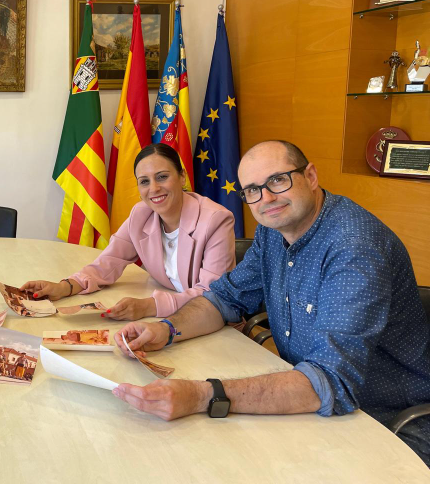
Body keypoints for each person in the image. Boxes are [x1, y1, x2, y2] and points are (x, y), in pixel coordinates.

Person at [113, 140, 430, 466]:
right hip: (314, 402)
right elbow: (224, 298)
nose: (266, 198)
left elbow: (329, 381)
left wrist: (201, 395)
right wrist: (166, 329)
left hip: (389, 420)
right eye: (252, 190)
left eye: (278, 180)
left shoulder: (354, 248)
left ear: (310, 176)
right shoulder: (273, 231)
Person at [22, 143, 235, 320]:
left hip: (209, 322)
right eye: (144, 182)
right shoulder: (141, 214)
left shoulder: (216, 220)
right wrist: (64, 287)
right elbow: (108, 262)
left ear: (182, 177)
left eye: (162, 177)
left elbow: (212, 295)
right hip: (169, 317)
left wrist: (149, 306)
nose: (154, 188)